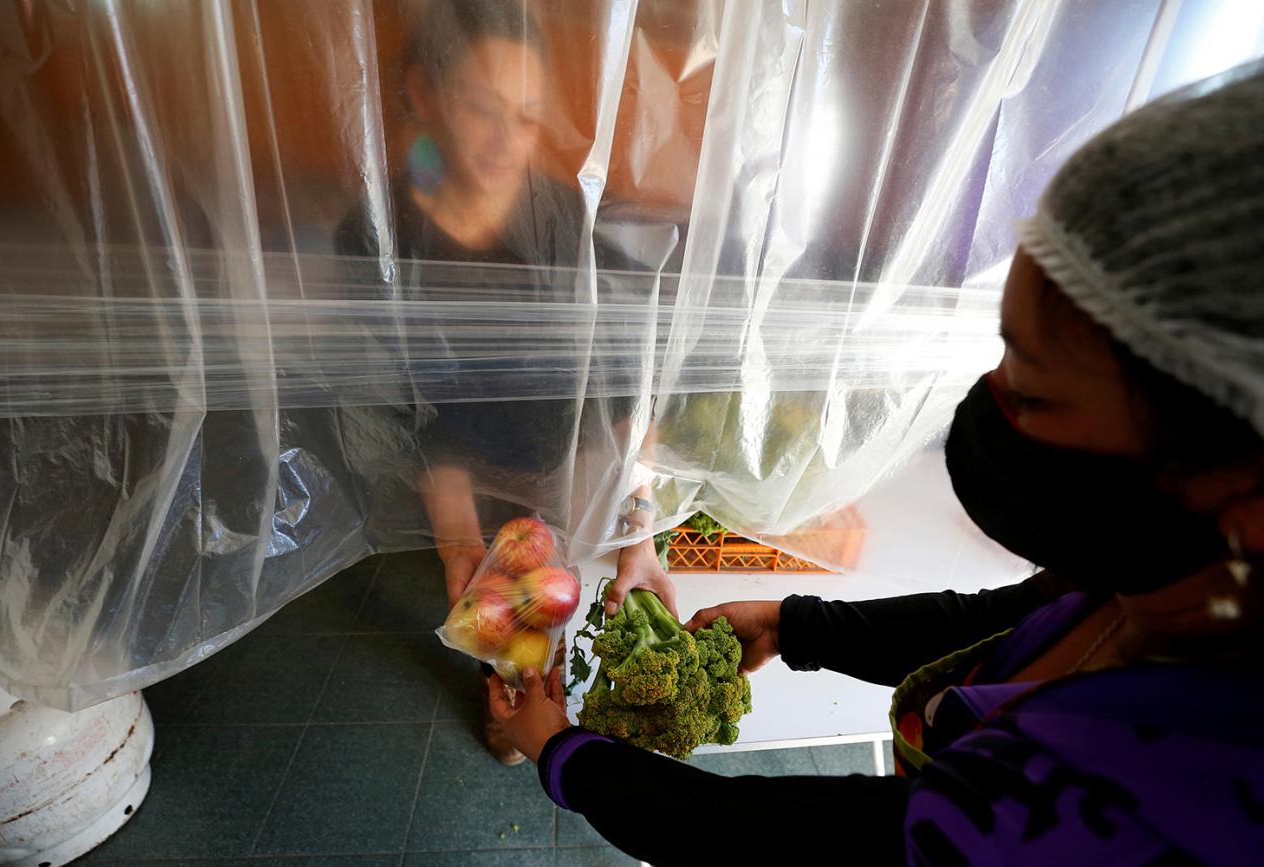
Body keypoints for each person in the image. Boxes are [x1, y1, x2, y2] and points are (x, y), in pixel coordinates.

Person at [485, 62, 1264, 863]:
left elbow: (786, 840)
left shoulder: (1148, 807)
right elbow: (994, 622)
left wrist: (563, 752)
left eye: (1032, 392)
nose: (984, 404)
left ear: (1242, 481)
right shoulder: (1157, 587)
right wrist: (792, 624)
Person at [335, 0, 673, 764]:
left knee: (557, 588)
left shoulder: (560, 219)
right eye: (481, 109)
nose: (505, 141)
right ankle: (512, 694)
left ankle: (529, 687)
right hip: (451, 464)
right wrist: (459, 544)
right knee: (500, 611)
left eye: (525, 117)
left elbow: (623, 384)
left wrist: (638, 536)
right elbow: (405, 412)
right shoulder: (377, 230)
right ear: (423, 95)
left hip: (562, 444)